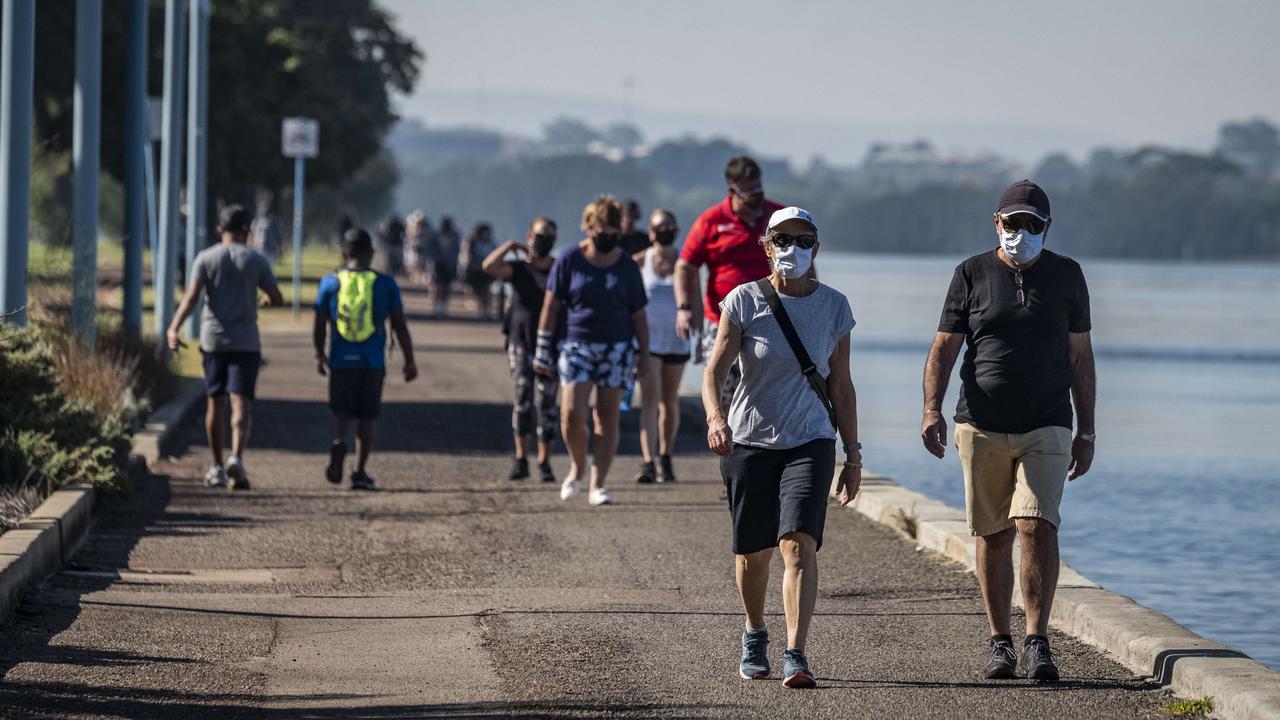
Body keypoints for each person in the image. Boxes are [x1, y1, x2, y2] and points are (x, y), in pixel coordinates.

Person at [920, 179, 1095, 682]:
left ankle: (1037, 640)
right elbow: (944, 348)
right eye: (1012, 222)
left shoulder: (1067, 276)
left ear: (1047, 227)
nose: (1021, 232)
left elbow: (1080, 357)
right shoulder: (971, 273)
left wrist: (1087, 431)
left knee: (1037, 523)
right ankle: (1000, 641)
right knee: (994, 533)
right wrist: (931, 409)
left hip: (1048, 422)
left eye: (1032, 224)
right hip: (980, 423)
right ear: (996, 223)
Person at [704, 206, 859, 689]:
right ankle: (755, 632)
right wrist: (715, 417)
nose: (794, 248)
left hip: (810, 441)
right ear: (767, 247)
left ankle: (796, 652)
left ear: (817, 247)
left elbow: (843, 387)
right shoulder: (745, 300)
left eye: (804, 239)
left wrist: (852, 455)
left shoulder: (835, 306)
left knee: (798, 545)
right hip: (749, 439)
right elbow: (712, 372)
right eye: (783, 239)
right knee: (754, 553)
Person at [533, 196, 649, 506]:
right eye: (602, 229)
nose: (608, 236)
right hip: (576, 345)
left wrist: (644, 355)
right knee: (571, 413)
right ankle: (577, 466)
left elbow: (638, 314)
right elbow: (551, 305)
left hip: (617, 347)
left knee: (607, 416)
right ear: (588, 228)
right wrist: (542, 350)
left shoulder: (626, 265)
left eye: (614, 231)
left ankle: (598, 484)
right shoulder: (569, 259)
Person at [167, 205, 284, 491]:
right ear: (247, 232)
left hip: (213, 341)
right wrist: (267, 301)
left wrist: (174, 327)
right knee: (240, 402)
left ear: (220, 230)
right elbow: (277, 298)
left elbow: (192, 297)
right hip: (246, 342)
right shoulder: (256, 261)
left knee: (215, 403)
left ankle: (217, 467)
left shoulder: (206, 258)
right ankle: (237, 458)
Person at [313, 228, 418, 491]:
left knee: (340, 411)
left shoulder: (330, 283)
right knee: (367, 417)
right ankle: (359, 472)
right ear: (371, 253)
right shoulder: (385, 284)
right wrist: (409, 360)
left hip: (340, 360)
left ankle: (339, 441)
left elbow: (319, 324)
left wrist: (319, 353)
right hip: (372, 362)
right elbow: (399, 325)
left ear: (344, 253)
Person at [676, 156, 784, 409]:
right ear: (732, 189)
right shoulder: (711, 220)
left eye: (759, 190)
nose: (756, 197)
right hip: (722, 318)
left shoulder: (776, 217)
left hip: (772, 317)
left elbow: (805, 263)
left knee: (767, 388)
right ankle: (726, 441)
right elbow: (685, 266)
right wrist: (684, 308)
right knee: (722, 388)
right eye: (749, 192)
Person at [484, 217, 563, 483]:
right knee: (523, 400)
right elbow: (489, 266)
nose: (543, 241)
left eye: (549, 236)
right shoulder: (518, 269)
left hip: (551, 344)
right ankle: (521, 458)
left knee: (548, 404)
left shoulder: (558, 270)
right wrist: (509, 245)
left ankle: (544, 461)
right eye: (539, 235)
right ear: (529, 236)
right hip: (520, 341)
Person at [632, 208, 689, 484]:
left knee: (670, 401)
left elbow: (696, 299)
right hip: (648, 341)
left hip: (678, 340)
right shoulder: (641, 261)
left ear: (676, 231)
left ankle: (666, 455)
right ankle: (647, 461)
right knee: (650, 400)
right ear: (651, 233)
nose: (664, 231)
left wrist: (700, 337)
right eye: (659, 227)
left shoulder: (685, 261)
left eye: (669, 226)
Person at [460, 223, 497, 320]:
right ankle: (481, 310)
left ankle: (486, 310)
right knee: (477, 292)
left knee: (486, 292)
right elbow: (466, 258)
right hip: (475, 271)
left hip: (487, 272)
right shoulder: (471, 242)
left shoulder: (491, 243)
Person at [429, 216, 461, 317]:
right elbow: (431, 249)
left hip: (450, 265)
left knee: (446, 287)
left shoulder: (455, 235)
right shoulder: (436, 234)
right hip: (438, 264)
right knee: (437, 286)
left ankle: (443, 307)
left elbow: (458, 250)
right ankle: (436, 306)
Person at [250, 193, 281, 266]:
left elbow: (277, 236)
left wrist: (279, 250)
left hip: (269, 250)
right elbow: (251, 235)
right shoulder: (256, 221)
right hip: (259, 250)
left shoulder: (273, 221)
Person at [405, 210, 433, 286]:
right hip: (414, 251)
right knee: (414, 266)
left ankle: (420, 281)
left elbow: (428, 240)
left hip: (424, 250)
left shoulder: (427, 229)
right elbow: (410, 240)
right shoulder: (411, 229)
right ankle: (415, 281)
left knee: (423, 266)